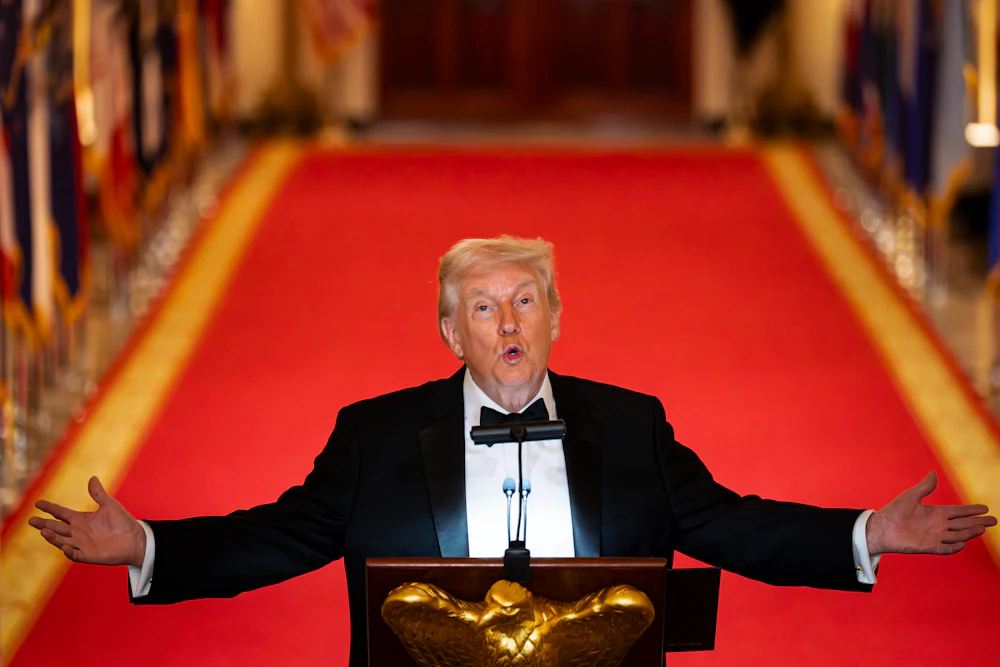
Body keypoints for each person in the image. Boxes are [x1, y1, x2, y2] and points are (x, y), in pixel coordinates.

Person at [29, 236, 997, 667]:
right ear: (447, 330)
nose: (507, 323)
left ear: (558, 317)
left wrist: (870, 532)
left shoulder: (630, 425)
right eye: (483, 306)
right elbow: (277, 537)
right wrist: (148, 546)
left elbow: (731, 525)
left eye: (525, 300)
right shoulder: (372, 436)